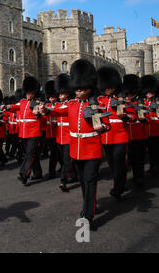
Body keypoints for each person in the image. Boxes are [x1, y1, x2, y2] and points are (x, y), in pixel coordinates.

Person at [40, 59, 110, 229]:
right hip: (75, 150)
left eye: (82, 88)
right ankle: (88, 207)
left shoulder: (96, 104)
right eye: (76, 88)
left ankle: (88, 215)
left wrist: (102, 127)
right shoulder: (71, 104)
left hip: (92, 149)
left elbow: (107, 124)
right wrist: (46, 109)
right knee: (84, 183)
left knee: (90, 181)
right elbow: (58, 110)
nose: (78, 91)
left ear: (90, 86)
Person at [97, 66, 137, 200]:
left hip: (120, 135)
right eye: (105, 87)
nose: (107, 89)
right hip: (106, 137)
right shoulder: (100, 100)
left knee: (119, 162)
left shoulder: (122, 99)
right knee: (112, 163)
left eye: (109, 86)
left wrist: (126, 117)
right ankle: (120, 182)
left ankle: (118, 187)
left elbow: (133, 116)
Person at [6, 77, 43, 185]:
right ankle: (38, 173)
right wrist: (7, 106)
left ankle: (24, 173)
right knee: (32, 154)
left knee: (29, 154)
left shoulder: (37, 102)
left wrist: (39, 112)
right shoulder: (22, 101)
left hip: (34, 132)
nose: (28, 95)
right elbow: (14, 107)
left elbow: (39, 114)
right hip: (24, 132)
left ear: (34, 93)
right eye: (27, 93)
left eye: (30, 93)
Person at [53, 74, 78, 192]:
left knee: (67, 160)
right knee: (64, 159)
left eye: (63, 93)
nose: (60, 96)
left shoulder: (71, 103)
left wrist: (49, 110)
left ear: (68, 93)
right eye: (60, 93)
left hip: (69, 136)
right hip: (60, 136)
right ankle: (74, 175)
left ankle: (63, 181)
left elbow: (61, 111)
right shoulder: (58, 104)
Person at [123, 75, 147, 186]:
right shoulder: (123, 101)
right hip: (127, 133)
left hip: (139, 133)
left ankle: (139, 176)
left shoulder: (140, 101)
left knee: (139, 157)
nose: (130, 95)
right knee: (130, 158)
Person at [141, 75, 159, 177]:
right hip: (145, 129)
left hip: (156, 130)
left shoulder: (157, 101)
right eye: (147, 93)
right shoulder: (142, 102)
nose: (149, 95)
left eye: (151, 93)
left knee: (155, 151)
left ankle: (154, 167)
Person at [43, 81, 60, 179]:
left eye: (53, 97)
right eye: (50, 97)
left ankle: (52, 172)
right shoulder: (47, 106)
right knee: (55, 154)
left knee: (55, 154)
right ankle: (54, 171)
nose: (51, 99)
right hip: (49, 134)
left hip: (57, 133)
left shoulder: (58, 106)